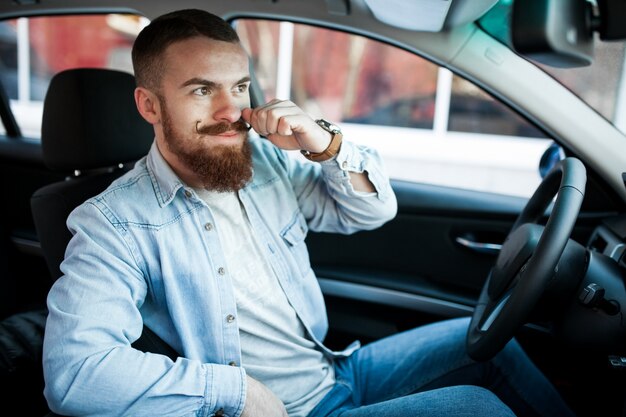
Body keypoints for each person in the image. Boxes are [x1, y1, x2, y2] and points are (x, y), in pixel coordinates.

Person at [42, 8, 576, 417]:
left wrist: (326, 146)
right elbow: (76, 374)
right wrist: (236, 392)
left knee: (490, 342)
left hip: (336, 367)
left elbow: (370, 211)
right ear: (150, 106)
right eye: (202, 90)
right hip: (287, 410)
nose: (231, 111)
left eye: (240, 87)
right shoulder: (112, 223)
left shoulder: (267, 164)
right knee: (474, 409)